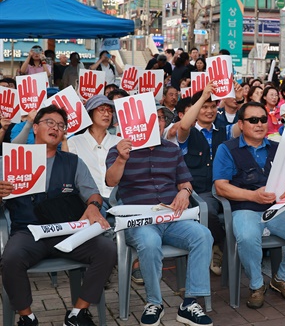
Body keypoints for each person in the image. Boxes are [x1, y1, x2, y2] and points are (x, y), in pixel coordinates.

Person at [1, 105, 116, 326]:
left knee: (107, 250)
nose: (56, 128)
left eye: (61, 126)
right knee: (11, 259)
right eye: (50, 123)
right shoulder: (10, 161)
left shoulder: (72, 162)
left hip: (65, 230)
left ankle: (77, 314)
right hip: (28, 233)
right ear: (35, 127)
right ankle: (27, 317)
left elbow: (93, 192)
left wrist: (93, 205)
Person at [105, 104, 213, 326]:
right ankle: (154, 302)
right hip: (140, 218)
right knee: (149, 241)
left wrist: (184, 191)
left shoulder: (171, 150)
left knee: (203, 235)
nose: (157, 122)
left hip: (171, 216)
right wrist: (122, 159)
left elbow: (185, 181)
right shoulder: (120, 149)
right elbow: (110, 182)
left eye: (161, 118)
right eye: (151, 118)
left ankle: (189, 303)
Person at [213, 102, 285, 309]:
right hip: (245, 208)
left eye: (262, 119)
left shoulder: (278, 147)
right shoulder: (227, 149)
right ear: (241, 124)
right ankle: (256, 285)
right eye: (253, 120)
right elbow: (221, 187)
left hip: (276, 210)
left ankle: (283, 279)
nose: (259, 124)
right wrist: (253, 196)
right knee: (248, 237)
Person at [177, 86, 231, 276]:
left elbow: (242, 125)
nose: (209, 111)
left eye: (212, 106)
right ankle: (222, 245)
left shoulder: (224, 131)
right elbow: (183, 126)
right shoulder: (187, 133)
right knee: (206, 210)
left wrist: (236, 98)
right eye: (204, 107)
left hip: (222, 188)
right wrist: (203, 97)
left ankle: (226, 247)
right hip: (196, 191)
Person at [67, 95, 122, 215]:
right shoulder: (74, 142)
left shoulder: (119, 142)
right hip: (87, 200)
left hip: (118, 200)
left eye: (109, 110)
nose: (107, 114)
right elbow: (69, 172)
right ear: (90, 113)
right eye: (101, 109)